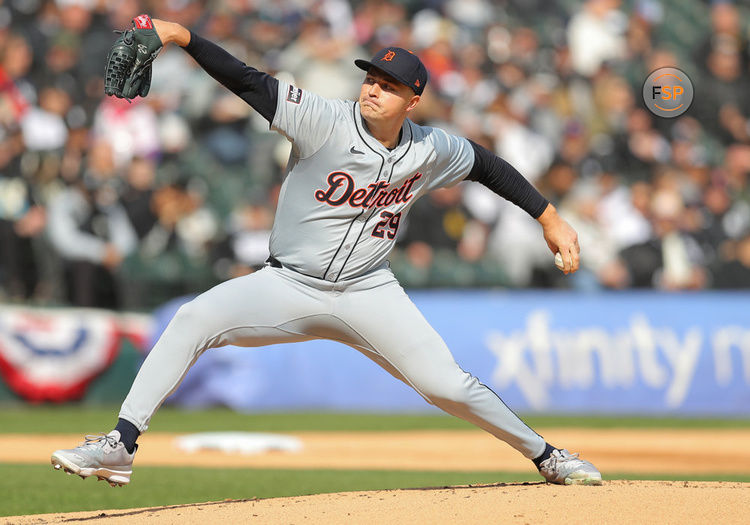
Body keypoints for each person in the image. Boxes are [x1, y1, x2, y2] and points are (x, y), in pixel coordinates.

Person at [51, 15, 600, 487]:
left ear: (413, 99)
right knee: (193, 318)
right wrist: (180, 35)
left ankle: (548, 457)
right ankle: (121, 445)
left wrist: (549, 218)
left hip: (369, 290)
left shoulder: (431, 148)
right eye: (371, 77)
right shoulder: (324, 120)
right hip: (287, 284)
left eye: (388, 84)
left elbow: (488, 165)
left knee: (446, 384)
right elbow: (247, 81)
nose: (372, 89)